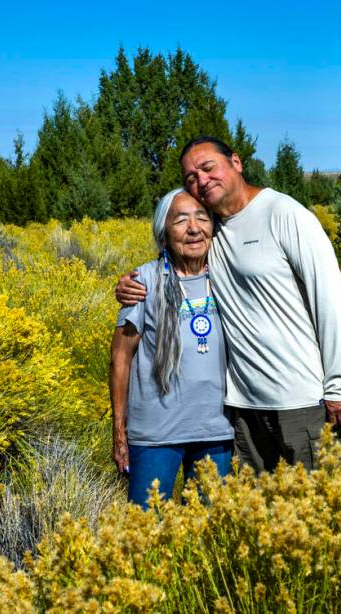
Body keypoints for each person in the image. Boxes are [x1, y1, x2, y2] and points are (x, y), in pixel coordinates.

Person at [117, 136, 341, 473]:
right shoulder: (212, 229)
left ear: (236, 163)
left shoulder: (283, 213)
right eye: (190, 178)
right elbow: (177, 256)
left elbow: (329, 297)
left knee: (319, 508)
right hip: (243, 410)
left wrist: (338, 386)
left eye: (208, 167)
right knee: (260, 517)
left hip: (300, 401)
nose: (201, 180)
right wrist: (133, 282)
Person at [109, 187, 233, 508]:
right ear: (163, 234)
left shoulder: (230, 277)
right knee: (145, 533)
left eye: (202, 217)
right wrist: (119, 432)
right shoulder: (143, 282)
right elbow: (120, 358)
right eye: (181, 220)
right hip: (155, 435)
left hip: (218, 430)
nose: (194, 228)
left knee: (210, 533)